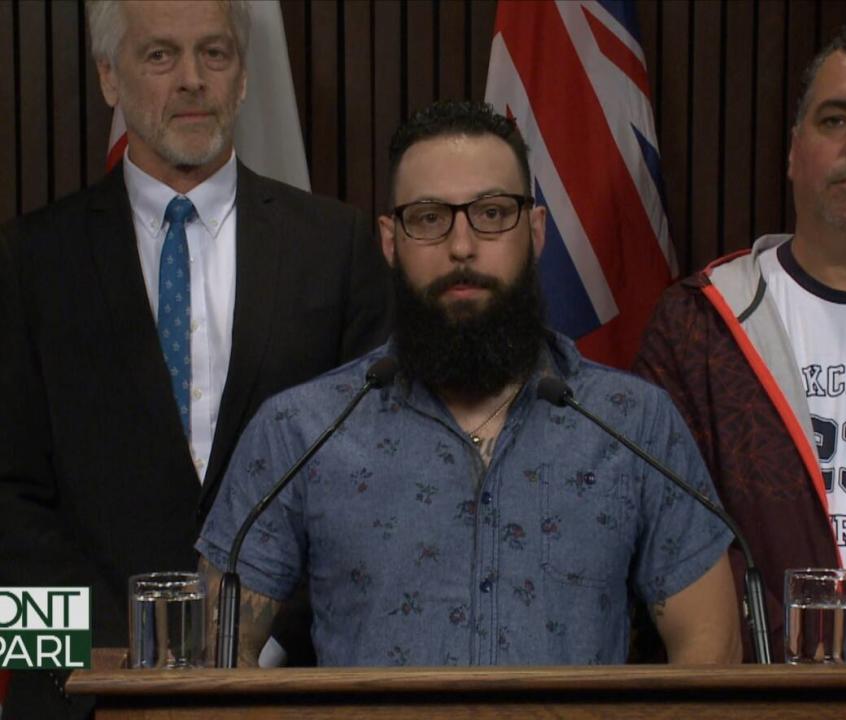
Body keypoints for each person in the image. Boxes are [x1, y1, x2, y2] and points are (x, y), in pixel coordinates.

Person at [196, 100, 742, 669]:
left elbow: (710, 652)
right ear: (390, 241)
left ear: (535, 232)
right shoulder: (300, 430)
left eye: (492, 213)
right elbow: (216, 653)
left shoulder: (634, 423)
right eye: (429, 218)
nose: (461, 246)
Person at [0, 0, 391, 715]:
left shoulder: (337, 247)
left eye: (214, 54)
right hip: (78, 689)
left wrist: (263, 644)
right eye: (159, 56)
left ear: (242, 78)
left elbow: (372, 483)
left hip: (291, 682)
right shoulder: (25, 259)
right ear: (109, 78)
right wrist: (97, 657)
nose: (191, 80)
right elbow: (7, 496)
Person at [634, 21, 846, 718]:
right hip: (751, 704)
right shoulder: (699, 324)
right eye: (834, 118)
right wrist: (790, 675)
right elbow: (675, 530)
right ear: (792, 152)